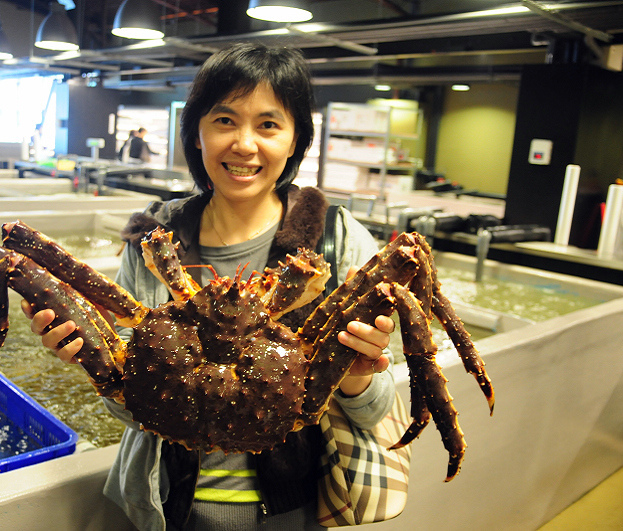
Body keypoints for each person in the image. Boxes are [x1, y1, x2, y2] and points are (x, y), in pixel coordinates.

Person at [23, 42, 396, 530]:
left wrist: (356, 372)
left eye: (268, 124)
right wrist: (93, 360)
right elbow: (133, 410)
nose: (244, 144)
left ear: (295, 138)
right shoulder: (153, 240)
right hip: (164, 504)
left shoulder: (336, 240)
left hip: (293, 508)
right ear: (196, 132)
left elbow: (377, 412)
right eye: (224, 120)